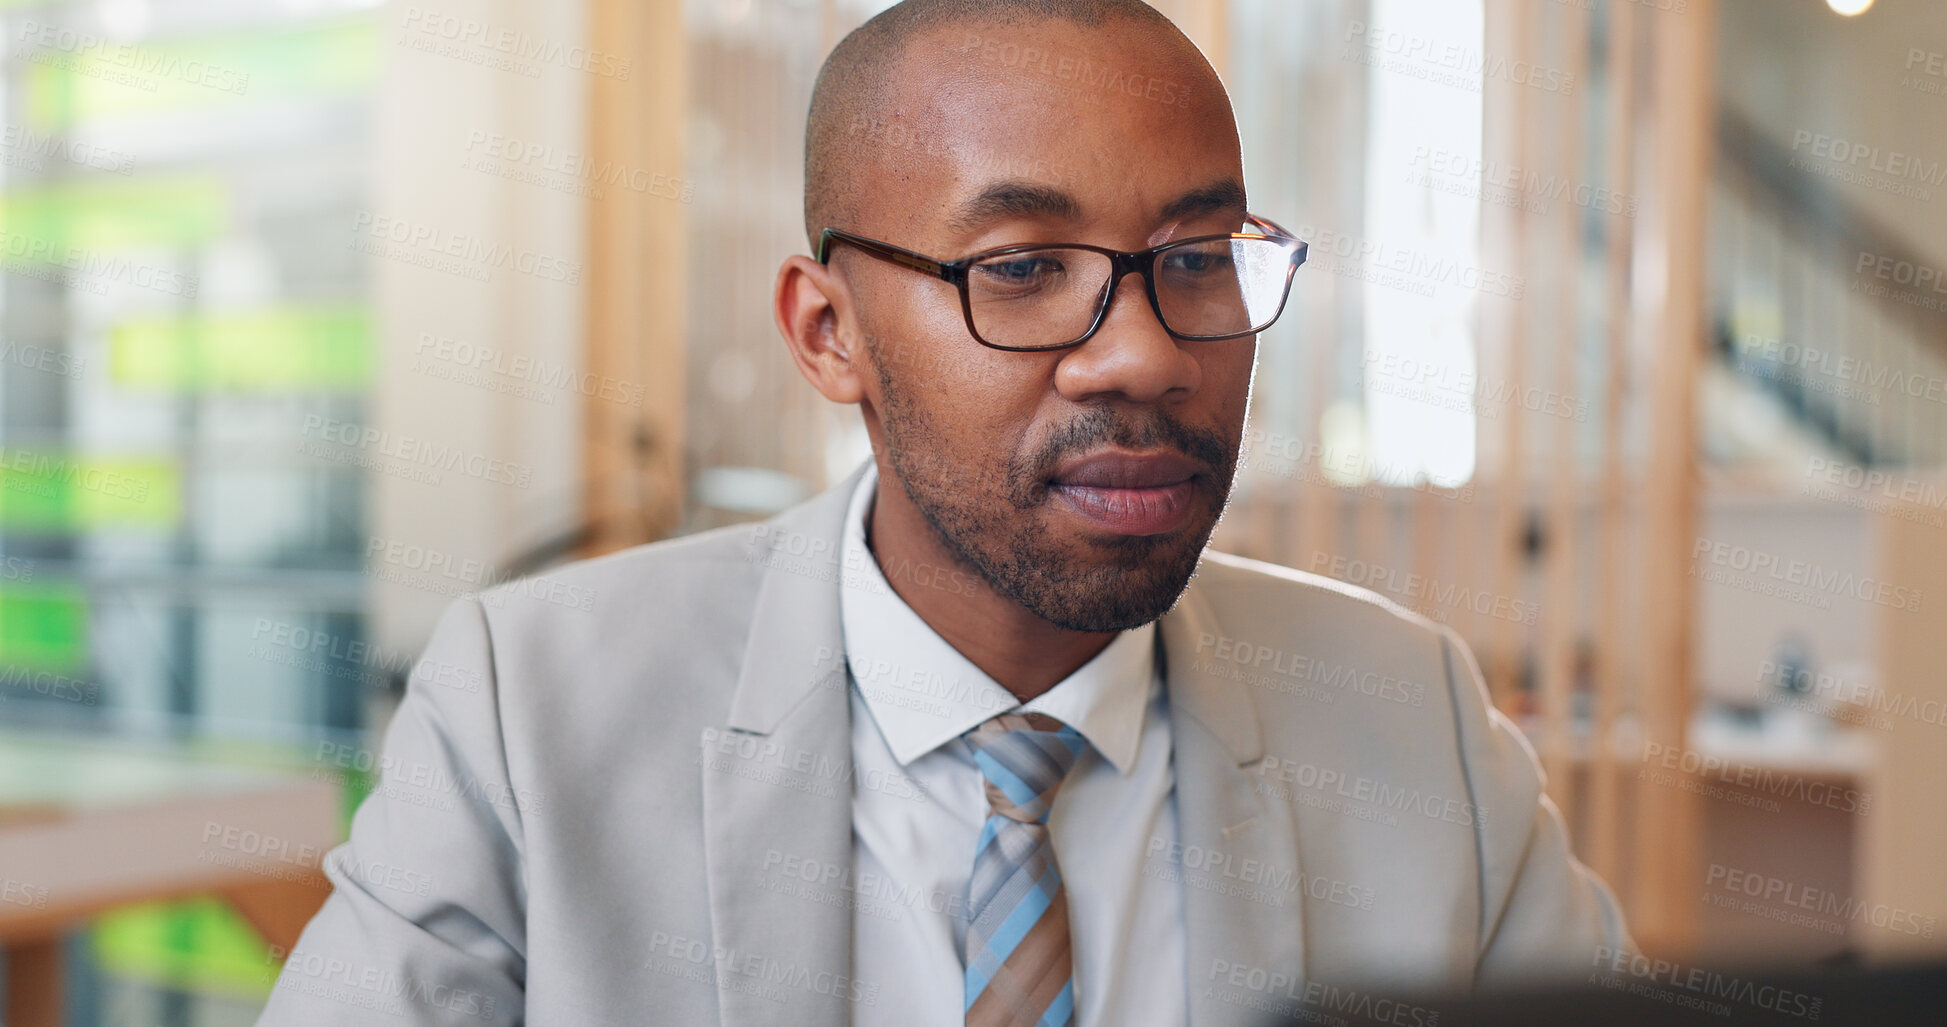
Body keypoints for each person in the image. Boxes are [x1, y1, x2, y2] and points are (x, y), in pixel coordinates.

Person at [258, 1, 1628, 1024]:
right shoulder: (532, 709)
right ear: (828, 332)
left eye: (1197, 260)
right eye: (1023, 267)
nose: (1143, 354)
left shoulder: (1411, 722)